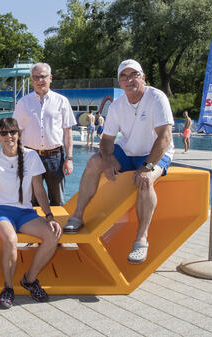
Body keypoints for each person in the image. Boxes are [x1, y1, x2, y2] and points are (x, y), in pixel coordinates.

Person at [64, 59, 174, 264]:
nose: (129, 79)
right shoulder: (117, 105)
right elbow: (107, 140)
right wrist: (106, 161)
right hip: (128, 150)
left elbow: (165, 138)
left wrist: (147, 167)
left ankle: (141, 239)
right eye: (124, 76)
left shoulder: (156, 98)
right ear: (120, 82)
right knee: (93, 163)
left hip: (155, 152)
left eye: (133, 75)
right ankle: (77, 216)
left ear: (142, 77)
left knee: (145, 180)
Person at [0, 118, 61, 309]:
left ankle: (30, 279)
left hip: (25, 211)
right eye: (4, 133)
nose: (9, 136)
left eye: (12, 132)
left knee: (53, 235)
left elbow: (39, 190)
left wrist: (49, 216)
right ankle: (8, 288)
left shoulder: (31, 156)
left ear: (18, 134)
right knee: (10, 240)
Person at [13, 63, 77, 206]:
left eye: (42, 76)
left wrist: (69, 158)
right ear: (32, 80)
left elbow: (67, 133)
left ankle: (57, 227)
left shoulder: (62, 101)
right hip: (30, 156)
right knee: (31, 200)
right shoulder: (23, 103)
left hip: (55, 157)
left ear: (50, 78)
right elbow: (17, 132)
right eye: (35, 77)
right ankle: (36, 227)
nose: (39, 80)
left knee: (57, 200)